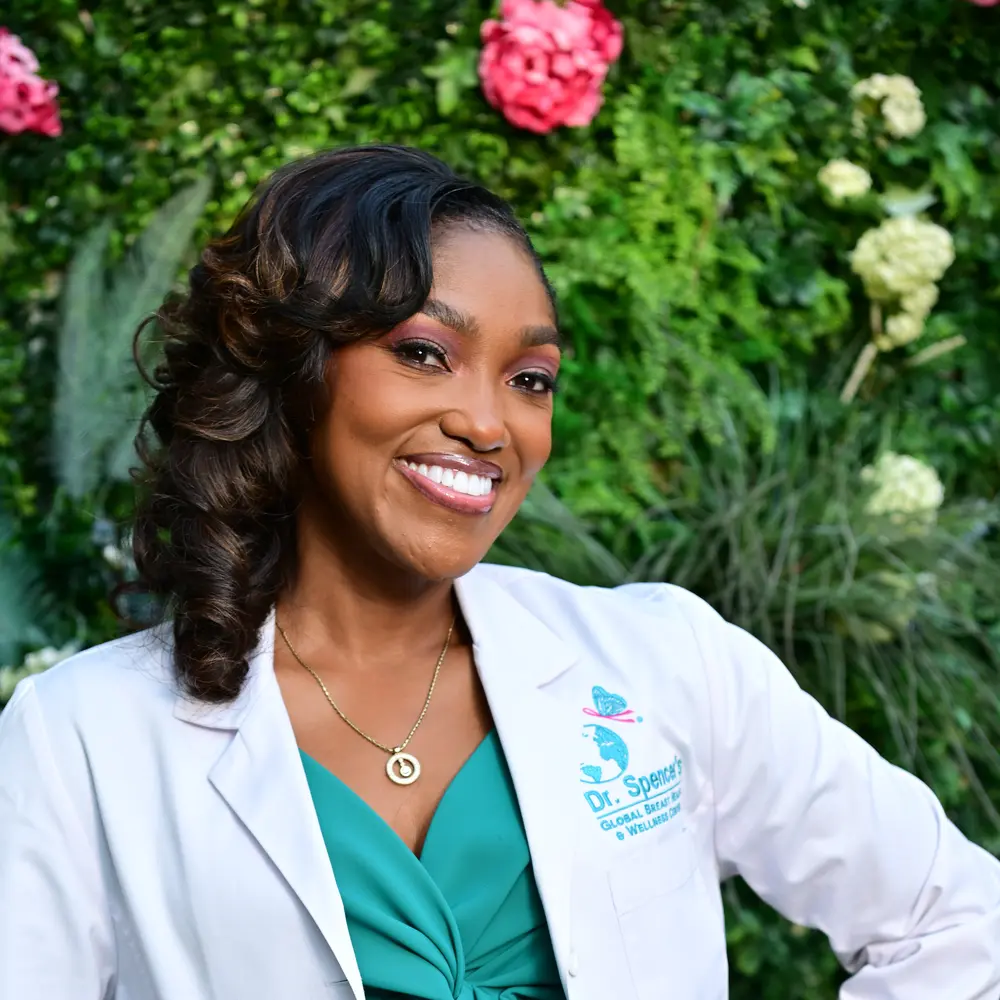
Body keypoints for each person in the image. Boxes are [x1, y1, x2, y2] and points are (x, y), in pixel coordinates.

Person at [0, 145, 998, 1000]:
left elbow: (958, 921)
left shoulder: (663, 659)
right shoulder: (80, 736)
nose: (489, 423)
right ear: (293, 369)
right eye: (425, 353)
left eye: (530, 379)